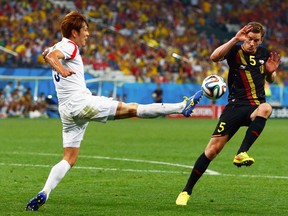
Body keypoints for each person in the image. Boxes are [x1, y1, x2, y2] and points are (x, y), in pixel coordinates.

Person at [25, 11, 203, 211]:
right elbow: (51, 56)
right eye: (85, 30)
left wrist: (50, 58)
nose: (88, 34)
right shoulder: (69, 46)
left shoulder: (59, 45)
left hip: (66, 110)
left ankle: (44, 192)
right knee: (134, 109)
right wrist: (62, 69)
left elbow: (47, 53)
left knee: (69, 158)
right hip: (82, 104)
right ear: (74, 32)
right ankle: (182, 106)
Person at [176, 22, 281, 206]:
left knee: (266, 108)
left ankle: (242, 152)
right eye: (249, 39)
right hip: (234, 107)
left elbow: (270, 79)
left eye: (256, 40)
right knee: (212, 151)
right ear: (244, 37)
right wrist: (235, 38)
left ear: (261, 40)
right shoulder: (235, 51)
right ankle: (186, 191)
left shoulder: (264, 54)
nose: (252, 43)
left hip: (254, 106)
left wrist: (271, 74)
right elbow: (214, 57)